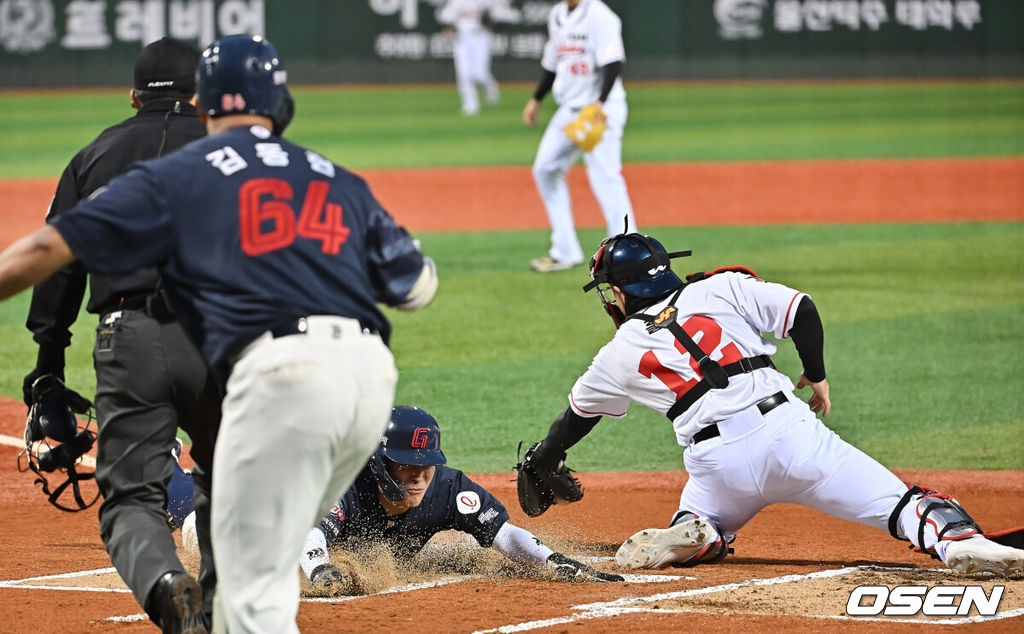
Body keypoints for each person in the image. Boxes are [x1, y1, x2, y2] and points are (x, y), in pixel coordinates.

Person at [0, 33, 438, 633]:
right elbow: (416, 286)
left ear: (205, 107)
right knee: (254, 537)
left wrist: (48, 364)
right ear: (282, 103)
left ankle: (195, 603)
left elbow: (50, 251)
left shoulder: (181, 171)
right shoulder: (333, 176)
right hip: (365, 380)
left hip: (270, 370)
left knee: (245, 589)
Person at [519, 231, 1024, 577]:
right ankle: (958, 540)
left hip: (716, 463)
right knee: (901, 506)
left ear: (623, 291)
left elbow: (575, 420)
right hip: (790, 436)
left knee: (705, 516)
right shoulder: (722, 286)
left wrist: (544, 458)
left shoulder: (617, 352)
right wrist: (817, 375)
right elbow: (802, 309)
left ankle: (693, 533)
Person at [18, 37, 222, 632]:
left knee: (134, 499)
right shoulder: (228, 149)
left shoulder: (94, 155)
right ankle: (220, 609)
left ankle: (164, 584)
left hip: (126, 337)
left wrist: (48, 370)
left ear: (132, 97)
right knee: (226, 481)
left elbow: (56, 262)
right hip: (219, 337)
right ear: (201, 95)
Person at [296, 405, 623, 593]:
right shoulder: (345, 484)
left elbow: (504, 535)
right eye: (407, 464)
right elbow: (311, 533)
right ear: (380, 465)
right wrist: (320, 570)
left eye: (427, 465)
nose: (419, 476)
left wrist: (551, 561)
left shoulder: (449, 489)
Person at [522, 0, 637, 273]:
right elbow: (553, 64)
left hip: (600, 109)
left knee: (605, 177)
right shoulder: (558, 15)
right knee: (545, 169)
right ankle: (564, 250)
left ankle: (630, 253)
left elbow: (613, 62)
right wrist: (536, 99)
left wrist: (599, 104)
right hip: (569, 109)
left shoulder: (600, 15)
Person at [437, 0, 504, 116]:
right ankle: (471, 104)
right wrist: (448, 27)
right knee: (464, 72)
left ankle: (491, 86)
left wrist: (490, 20)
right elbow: (445, 17)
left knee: (480, 72)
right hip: (463, 37)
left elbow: (496, 17)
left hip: (481, 36)